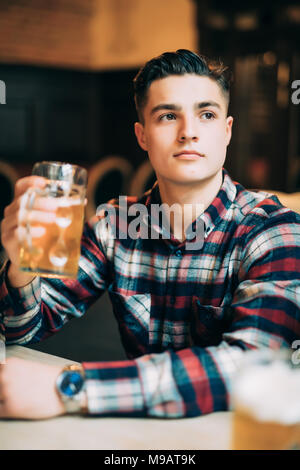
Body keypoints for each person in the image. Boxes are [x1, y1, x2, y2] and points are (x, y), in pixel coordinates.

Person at [0, 49, 300, 420]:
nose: (188, 131)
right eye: (168, 115)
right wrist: (21, 265)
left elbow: (251, 368)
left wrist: (71, 388)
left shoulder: (273, 230)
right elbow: (20, 331)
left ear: (226, 131)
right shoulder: (116, 223)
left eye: (206, 114)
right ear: (142, 135)